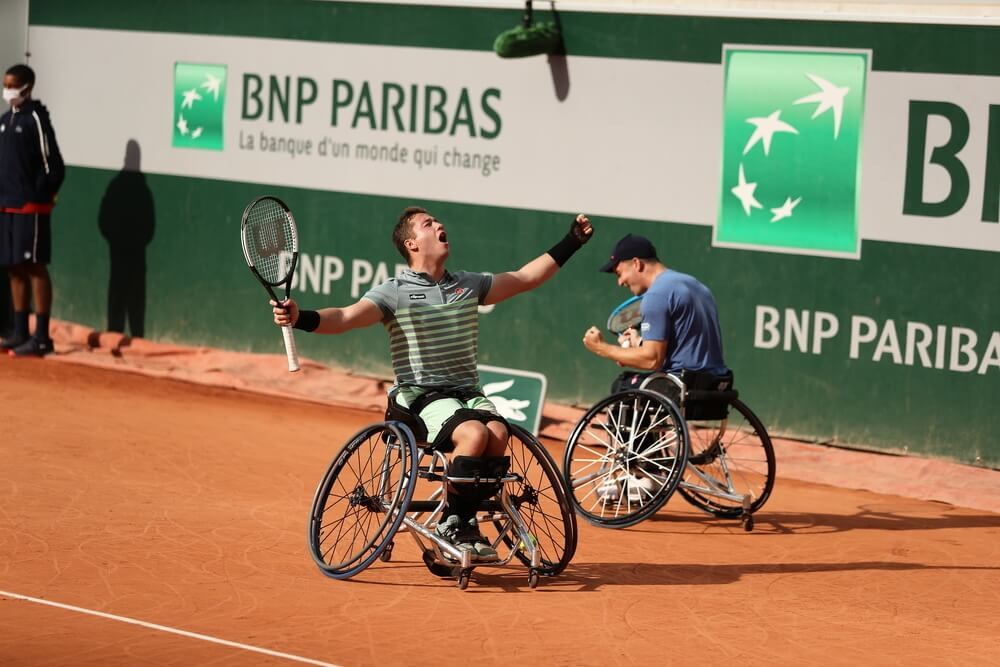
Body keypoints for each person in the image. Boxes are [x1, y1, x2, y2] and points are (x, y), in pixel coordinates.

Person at [273, 207, 593, 560]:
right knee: (474, 434)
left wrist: (572, 242)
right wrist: (301, 318)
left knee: (498, 434)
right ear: (412, 243)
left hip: (468, 393)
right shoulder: (393, 292)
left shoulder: (468, 285)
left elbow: (525, 277)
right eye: (429, 224)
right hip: (419, 398)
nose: (440, 225)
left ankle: (465, 521)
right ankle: (453, 522)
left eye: (438, 221)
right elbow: (346, 317)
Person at [582, 233, 730, 401]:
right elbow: (687, 346)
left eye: (619, 273)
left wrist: (602, 348)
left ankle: (637, 429)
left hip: (680, 386)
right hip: (716, 384)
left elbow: (652, 360)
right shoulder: (697, 286)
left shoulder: (656, 295)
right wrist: (639, 343)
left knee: (622, 385)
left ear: (636, 264)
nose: (620, 282)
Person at [0, 64, 65, 357]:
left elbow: (54, 166)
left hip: (32, 206)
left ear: (27, 87)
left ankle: (41, 337)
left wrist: (41, 195)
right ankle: (19, 332)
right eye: (5, 84)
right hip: (7, 205)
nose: (8, 90)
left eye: (13, 85)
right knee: (14, 267)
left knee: (34, 266)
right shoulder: (4, 121)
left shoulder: (37, 119)